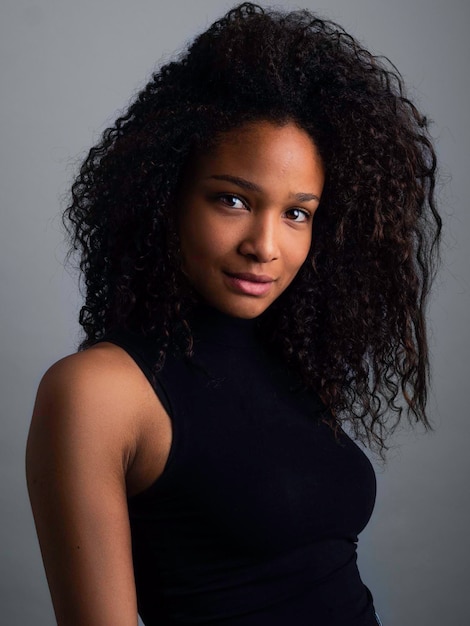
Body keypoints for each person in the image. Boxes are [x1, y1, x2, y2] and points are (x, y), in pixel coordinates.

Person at [26, 3, 441, 625]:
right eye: (233, 200)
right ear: (166, 195)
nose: (266, 245)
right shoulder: (98, 392)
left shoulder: (286, 357)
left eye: (297, 213)